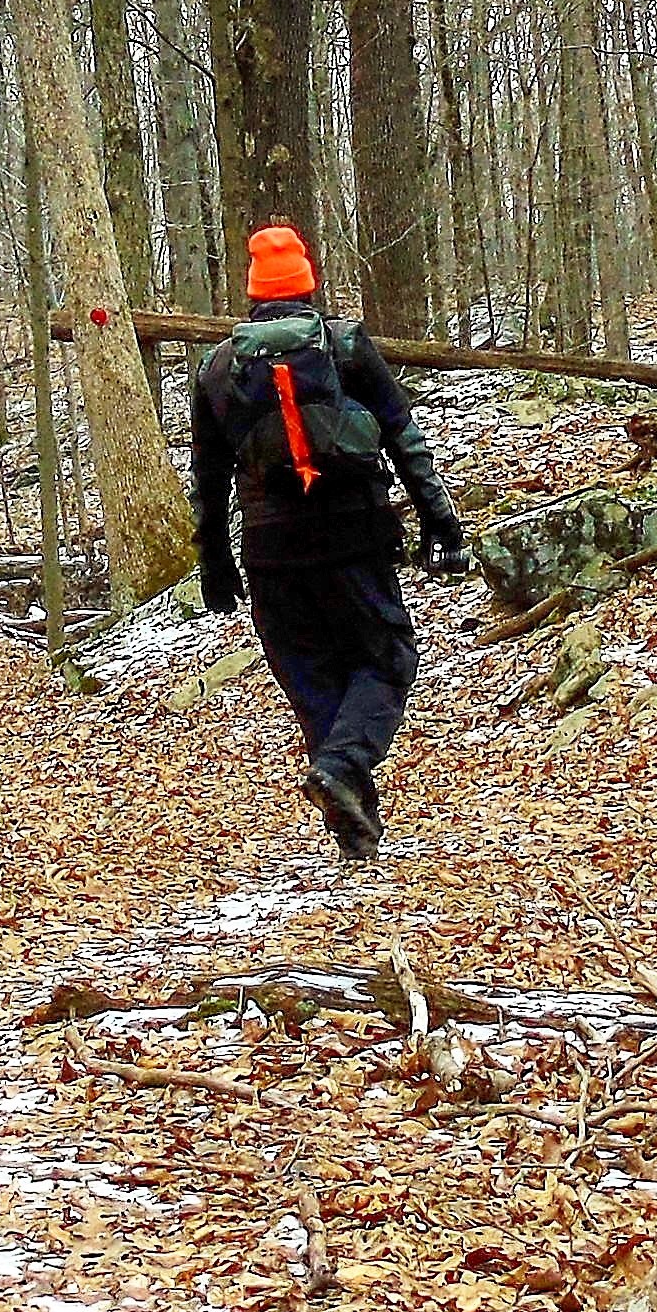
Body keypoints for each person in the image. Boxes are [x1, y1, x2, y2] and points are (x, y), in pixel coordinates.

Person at [190, 222, 468, 857]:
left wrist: (215, 560)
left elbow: (208, 476)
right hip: (354, 530)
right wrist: (440, 524)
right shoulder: (344, 346)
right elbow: (404, 437)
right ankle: (342, 776)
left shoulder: (218, 370)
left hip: (269, 547)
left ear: (255, 293)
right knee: (386, 657)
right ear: (307, 286)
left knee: (312, 675)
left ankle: (353, 828)